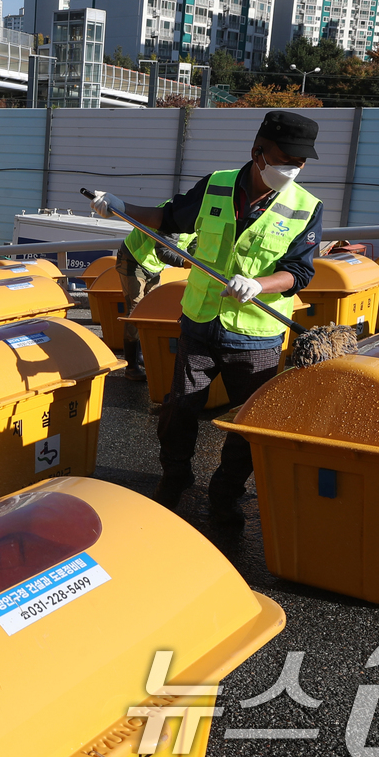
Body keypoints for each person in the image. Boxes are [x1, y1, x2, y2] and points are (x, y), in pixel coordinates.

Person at [89, 111, 323, 527]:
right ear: (258, 153)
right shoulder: (216, 185)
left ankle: (226, 493)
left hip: (257, 337)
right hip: (198, 323)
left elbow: (300, 271)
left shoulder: (306, 208)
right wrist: (121, 208)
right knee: (178, 409)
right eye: (285, 159)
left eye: (300, 163)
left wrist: (260, 284)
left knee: (248, 426)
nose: (293, 169)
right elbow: (169, 218)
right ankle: (175, 477)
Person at [114, 213, 194, 381]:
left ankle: (142, 355)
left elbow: (194, 244)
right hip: (133, 259)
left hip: (152, 265)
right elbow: (163, 251)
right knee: (136, 312)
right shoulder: (175, 214)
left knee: (150, 310)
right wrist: (188, 263)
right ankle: (131, 365)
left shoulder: (201, 218)